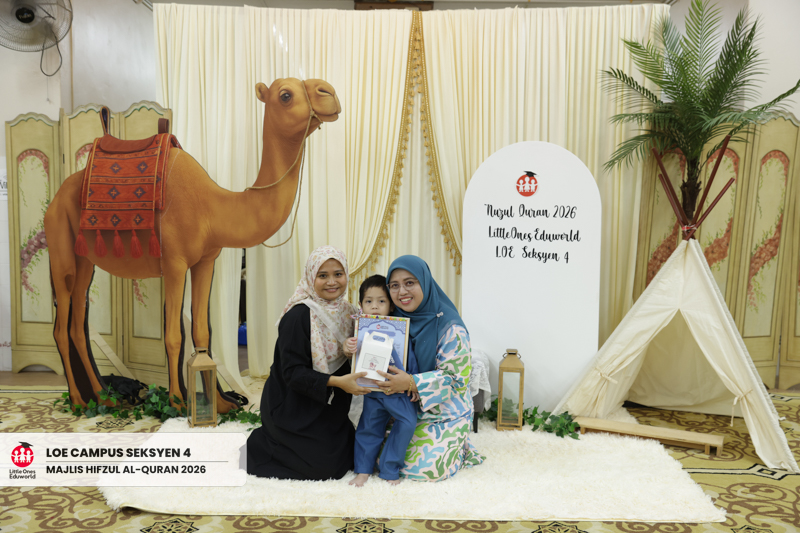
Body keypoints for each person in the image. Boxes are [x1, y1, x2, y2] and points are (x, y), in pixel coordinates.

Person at [246, 246, 371, 480]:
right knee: (323, 469)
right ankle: (261, 446)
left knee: (346, 457)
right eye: (322, 275)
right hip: (293, 406)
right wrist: (339, 383)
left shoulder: (350, 312)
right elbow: (292, 374)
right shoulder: (298, 316)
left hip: (330, 404)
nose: (332, 282)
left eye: (338, 274)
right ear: (310, 277)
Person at [375, 255, 484, 481]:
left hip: (443, 411)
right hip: (401, 408)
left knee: (424, 469)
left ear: (425, 282)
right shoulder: (391, 320)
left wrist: (411, 382)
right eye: (394, 285)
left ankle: (460, 448)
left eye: (410, 283)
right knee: (371, 456)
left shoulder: (450, 326)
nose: (402, 292)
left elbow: (456, 379)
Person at [345, 275, 419, 487]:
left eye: (381, 301)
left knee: (407, 423)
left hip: (398, 390)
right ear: (361, 305)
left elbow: (411, 357)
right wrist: (348, 347)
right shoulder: (360, 329)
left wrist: (414, 383)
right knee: (368, 427)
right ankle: (363, 470)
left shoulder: (401, 329)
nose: (375, 307)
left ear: (391, 305)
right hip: (373, 390)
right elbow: (352, 355)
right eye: (369, 301)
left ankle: (389, 468)